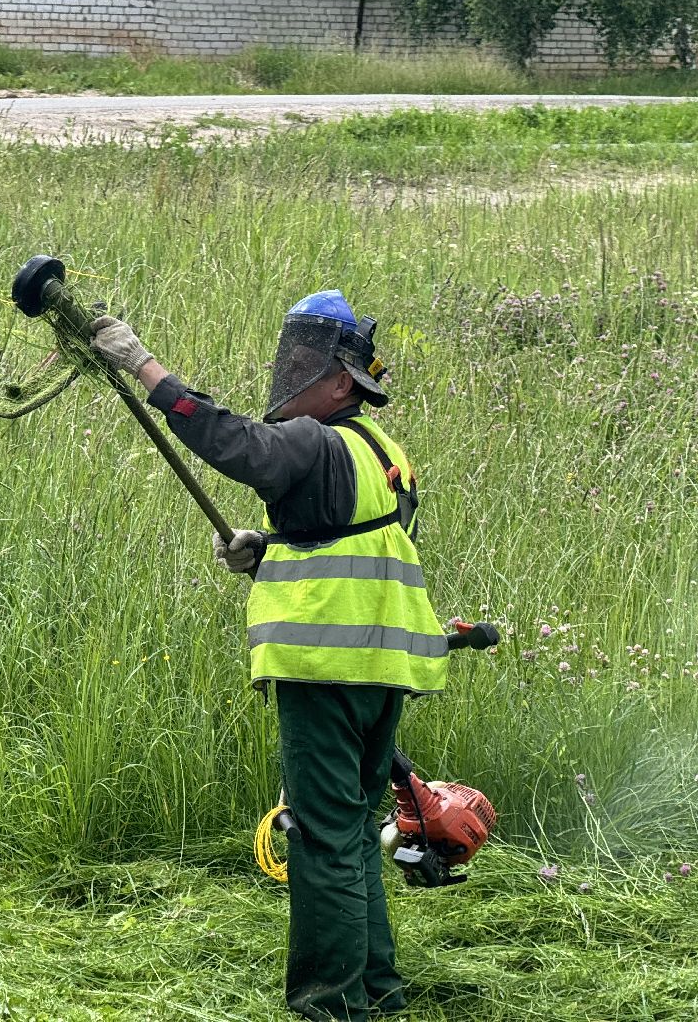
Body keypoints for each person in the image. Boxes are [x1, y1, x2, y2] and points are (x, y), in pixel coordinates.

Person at [89, 290, 449, 1021]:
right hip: (382, 669)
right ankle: (378, 993)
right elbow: (348, 540)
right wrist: (269, 552)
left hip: (327, 667)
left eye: (304, 362)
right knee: (352, 832)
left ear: (343, 382)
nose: (288, 374)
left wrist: (145, 368)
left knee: (322, 840)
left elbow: (239, 446)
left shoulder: (315, 441)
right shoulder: (382, 453)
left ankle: (331, 1006)